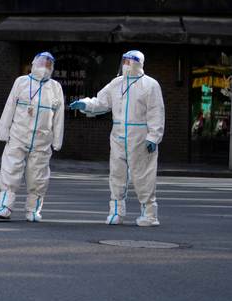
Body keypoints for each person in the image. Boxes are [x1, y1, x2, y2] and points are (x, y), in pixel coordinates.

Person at [68, 50, 165, 227]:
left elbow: (156, 111)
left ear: (138, 62)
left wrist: (153, 136)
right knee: (117, 174)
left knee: (143, 175)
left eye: (130, 61)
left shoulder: (150, 85)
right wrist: (86, 104)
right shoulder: (117, 83)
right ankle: (116, 211)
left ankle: (150, 214)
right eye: (125, 60)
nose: (126, 64)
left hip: (140, 136)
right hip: (118, 134)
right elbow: (102, 102)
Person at [0, 51, 65, 222]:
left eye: (48, 64)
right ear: (33, 63)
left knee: (38, 176)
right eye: (41, 62)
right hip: (18, 135)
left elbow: (59, 115)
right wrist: (3, 130)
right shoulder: (22, 82)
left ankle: (33, 210)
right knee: (10, 170)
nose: (44, 66)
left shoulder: (55, 87)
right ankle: (5, 206)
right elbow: (10, 106)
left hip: (42, 139)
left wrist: (57, 139)